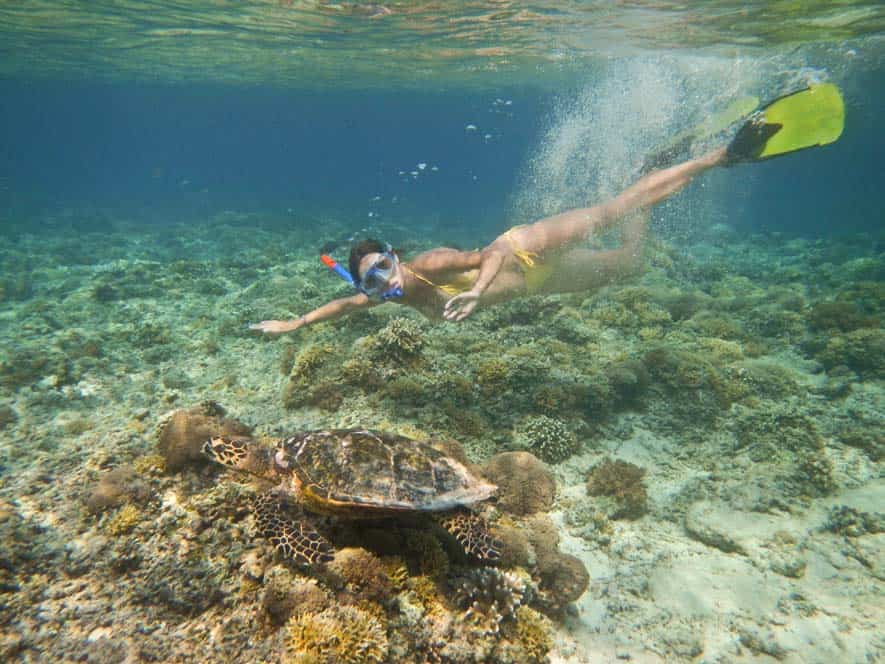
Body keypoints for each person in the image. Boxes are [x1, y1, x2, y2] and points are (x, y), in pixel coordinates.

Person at [251, 84, 844, 334]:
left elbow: (489, 252)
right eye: (372, 282)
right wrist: (295, 324)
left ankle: (723, 154)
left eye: (382, 269)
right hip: (540, 286)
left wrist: (480, 289)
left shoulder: (427, 265)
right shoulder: (384, 295)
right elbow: (343, 304)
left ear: (396, 257)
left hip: (525, 249)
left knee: (613, 209)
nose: (382, 284)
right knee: (630, 260)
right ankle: (655, 165)